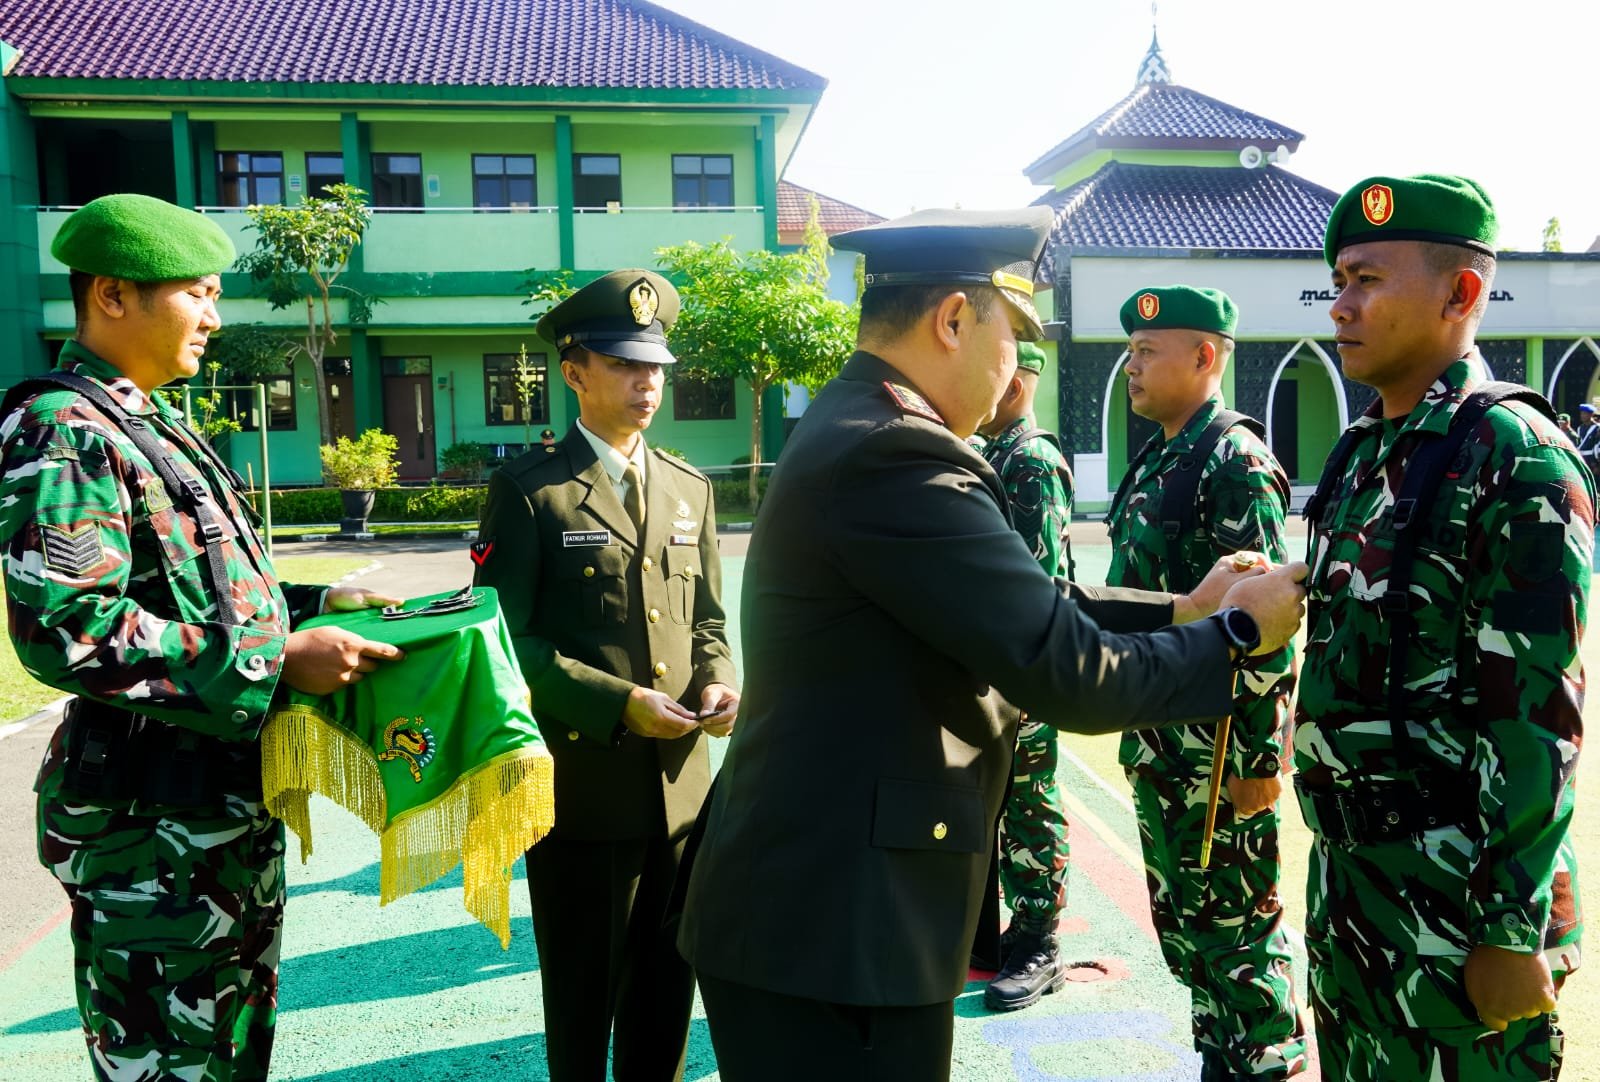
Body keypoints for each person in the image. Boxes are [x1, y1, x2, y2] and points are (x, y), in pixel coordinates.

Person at [676, 207, 1309, 1082]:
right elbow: (1066, 673)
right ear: (952, 321)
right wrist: (1238, 631)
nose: (1017, 366)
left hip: (819, 909)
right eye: (1013, 335)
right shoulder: (899, 452)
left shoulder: (862, 422)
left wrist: (1182, 606)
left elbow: (1026, 598)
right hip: (837, 925)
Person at [0, 193, 402, 1082]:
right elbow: (68, 627)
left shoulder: (150, 424)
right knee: (167, 1069)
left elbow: (210, 589)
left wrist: (312, 597)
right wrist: (274, 659)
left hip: (214, 822)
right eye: (200, 293)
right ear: (112, 294)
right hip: (152, 837)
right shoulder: (65, 430)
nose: (216, 318)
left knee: (226, 1058)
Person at [1298, 174, 1591, 1079]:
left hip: (1457, 906)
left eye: (1368, 280)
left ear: (1462, 292)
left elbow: (1538, 713)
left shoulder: (1514, 456)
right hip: (1353, 892)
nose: (1340, 304)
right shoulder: (1359, 454)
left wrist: (1511, 929)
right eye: (1339, 278)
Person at [471, 269, 738, 1082]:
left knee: (666, 1000)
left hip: (684, 794)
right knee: (584, 1004)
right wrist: (620, 704)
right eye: (626, 363)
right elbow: (506, 642)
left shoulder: (690, 489)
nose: (647, 381)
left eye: (656, 364)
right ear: (575, 369)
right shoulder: (529, 493)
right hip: (584, 796)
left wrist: (722, 679)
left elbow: (710, 622)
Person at [1106, 285, 1305, 1079]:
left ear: (1206, 356)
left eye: (1148, 351)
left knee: (1236, 923)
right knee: (1189, 919)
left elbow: (1270, 621)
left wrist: (1261, 761)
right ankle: (1223, 1051)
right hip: (1163, 736)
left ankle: (1264, 1058)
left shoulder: (1234, 459)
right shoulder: (1163, 450)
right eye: (1129, 352)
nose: (1132, 367)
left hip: (1218, 748)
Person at [970, 339, 1077, 1011]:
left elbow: (1035, 585)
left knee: (1031, 801)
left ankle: (1040, 941)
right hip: (994, 668)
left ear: (1014, 382)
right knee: (1001, 801)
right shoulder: (995, 456)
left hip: (1026, 670)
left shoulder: (1032, 461)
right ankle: (1002, 932)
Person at [1575, 403, 1600, 473]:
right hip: (1582, 460)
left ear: (1591, 415)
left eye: (1585, 414)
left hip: (1593, 461)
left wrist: (1596, 464)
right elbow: (1579, 443)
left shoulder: (1597, 428)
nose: (1582, 416)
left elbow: (1596, 446)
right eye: (1581, 414)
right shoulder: (1580, 428)